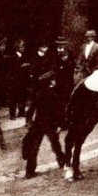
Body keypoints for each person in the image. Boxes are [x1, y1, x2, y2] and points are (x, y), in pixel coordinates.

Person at [22, 40, 66, 178]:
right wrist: (59, 123)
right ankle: (63, 162)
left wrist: (29, 120)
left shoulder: (40, 92)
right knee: (55, 144)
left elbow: (32, 107)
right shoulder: (53, 93)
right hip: (49, 122)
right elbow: (59, 110)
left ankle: (30, 171)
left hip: (39, 122)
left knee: (35, 146)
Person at [5, 38, 30, 120]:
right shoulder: (12, 57)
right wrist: (21, 67)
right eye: (21, 46)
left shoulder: (25, 56)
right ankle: (12, 114)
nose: (23, 48)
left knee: (22, 96)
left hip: (23, 80)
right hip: (14, 81)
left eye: (23, 46)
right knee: (13, 98)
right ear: (17, 48)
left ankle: (21, 112)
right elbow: (10, 69)